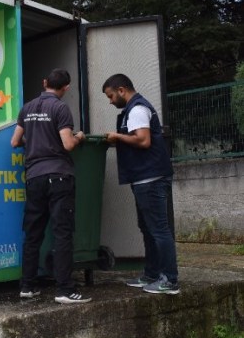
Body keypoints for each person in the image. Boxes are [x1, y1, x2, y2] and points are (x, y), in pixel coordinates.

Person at [10, 68, 89, 304]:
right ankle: (65, 290)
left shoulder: (27, 108)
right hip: (58, 176)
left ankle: (27, 286)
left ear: (45, 82)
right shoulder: (60, 108)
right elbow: (68, 144)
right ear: (66, 88)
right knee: (62, 233)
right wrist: (80, 137)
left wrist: (34, 141)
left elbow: (15, 141)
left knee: (33, 234)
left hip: (34, 177)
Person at [102, 73, 179, 295]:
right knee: (147, 228)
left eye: (111, 96)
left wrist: (117, 137)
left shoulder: (137, 109)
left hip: (150, 178)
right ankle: (151, 274)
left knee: (159, 229)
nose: (110, 101)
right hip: (144, 178)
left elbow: (143, 140)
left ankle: (170, 280)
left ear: (121, 90)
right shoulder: (132, 109)